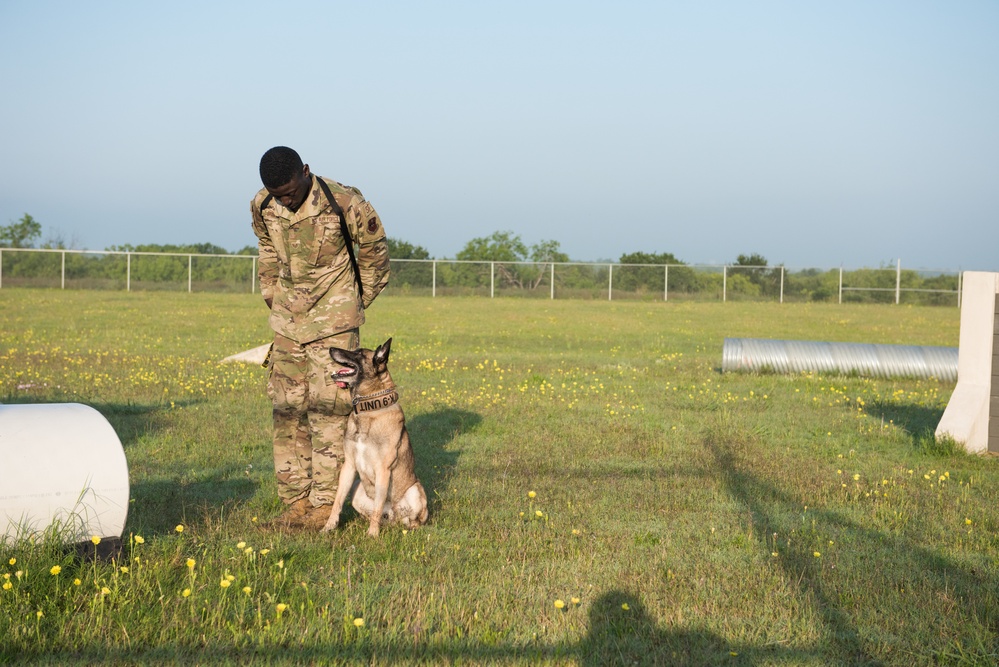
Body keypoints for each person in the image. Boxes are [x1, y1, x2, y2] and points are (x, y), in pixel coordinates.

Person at [251, 146, 390, 529]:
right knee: (287, 412)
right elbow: (265, 247)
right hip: (287, 326)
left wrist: (355, 301)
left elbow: (375, 252)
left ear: (306, 172)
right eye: (278, 194)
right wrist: (270, 294)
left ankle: (323, 508)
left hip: (334, 325)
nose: (285, 200)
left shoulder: (345, 203)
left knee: (328, 413)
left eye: (290, 192)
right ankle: (295, 502)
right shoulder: (262, 205)